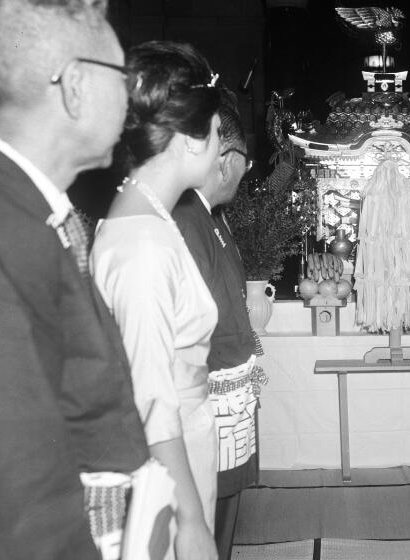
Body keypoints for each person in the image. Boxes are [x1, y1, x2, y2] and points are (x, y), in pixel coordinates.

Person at [0, 2, 150, 558]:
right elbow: (17, 479)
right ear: (76, 85)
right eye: (123, 76)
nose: (131, 95)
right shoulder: (2, 226)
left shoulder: (32, 206)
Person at [91, 40, 223, 560]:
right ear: (191, 141)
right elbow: (152, 398)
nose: (219, 147)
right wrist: (190, 521)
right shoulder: (142, 243)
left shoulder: (153, 219)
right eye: (216, 133)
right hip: (167, 463)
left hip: (183, 445)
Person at [171, 92, 265, 560]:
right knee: (208, 514)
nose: (244, 174)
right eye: (244, 163)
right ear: (226, 158)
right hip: (207, 395)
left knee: (225, 511)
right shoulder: (187, 220)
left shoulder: (214, 219)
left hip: (229, 390)